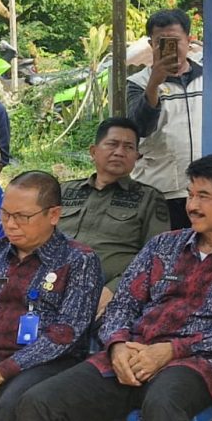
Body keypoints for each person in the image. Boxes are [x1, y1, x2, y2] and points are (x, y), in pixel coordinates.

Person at [18, 155, 212, 421]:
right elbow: (122, 303)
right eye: (190, 195)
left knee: (162, 407)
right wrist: (117, 345)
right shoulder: (162, 245)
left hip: (192, 364)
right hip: (129, 353)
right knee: (39, 401)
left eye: (203, 197)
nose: (192, 206)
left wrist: (171, 350)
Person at [0, 171, 103, 421]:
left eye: (22, 216)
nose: (10, 224)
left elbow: (66, 333)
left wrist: (2, 370)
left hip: (46, 362)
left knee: (13, 404)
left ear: (53, 215)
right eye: (4, 214)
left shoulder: (79, 260)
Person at [58, 117, 170, 314]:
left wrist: (115, 289)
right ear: (93, 151)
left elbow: (158, 258)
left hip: (109, 297)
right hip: (52, 286)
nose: (119, 152)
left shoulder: (149, 199)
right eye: (112, 144)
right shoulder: (64, 192)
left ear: (137, 156)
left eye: (128, 147)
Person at [128, 9, 203, 229]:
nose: (169, 48)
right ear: (151, 45)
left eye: (175, 41)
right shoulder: (138, 82)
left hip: (204, 189)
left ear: (189, 40)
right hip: (160, 189)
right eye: (161, 42)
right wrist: (153, 85)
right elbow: (139, 128)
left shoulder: (210, 77)